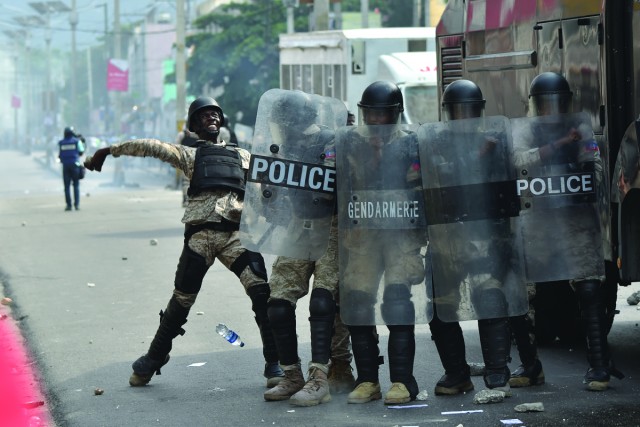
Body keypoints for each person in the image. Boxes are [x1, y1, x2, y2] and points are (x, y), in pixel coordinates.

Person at [84, 96, 284, 388]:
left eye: (215, 113)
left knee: (261, 293)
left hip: (235, 237)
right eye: (204, 115)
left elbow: (276, 179)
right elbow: (150, 146)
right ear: (193, 126)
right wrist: (108, 150)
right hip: (201, 237)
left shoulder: (244, 156)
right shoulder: (189, 155)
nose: (211, 118)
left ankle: (274, 362)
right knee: (182, 300)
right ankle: (154, 357)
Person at [509, 72, 623, 391]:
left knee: (588, 287)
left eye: (556, 103)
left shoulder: (581, 129)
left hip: (574, 219)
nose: (551, 111)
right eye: (545, 105)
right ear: (535, 106)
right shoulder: (525, 130)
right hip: (537, 223)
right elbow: (518, 163)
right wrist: (557, 146)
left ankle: (599, 365)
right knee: (525, 291)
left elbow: (596, 170)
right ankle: (530, 366)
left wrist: (578, 170)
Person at [258, 91, 353, 407]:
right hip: (299, 225)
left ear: (295, 120)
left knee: (324, 302)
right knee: (278, 302)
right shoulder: (285, 147)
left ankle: (319, 377)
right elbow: (275, 194)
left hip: (332, 225)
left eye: (282, 122)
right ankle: (291, 375)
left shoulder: (331, 142)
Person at [424, 79, 516, 397]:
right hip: (447, 239)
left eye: (469, 111)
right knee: (439, 307)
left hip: (485, 237)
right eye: (457, 111)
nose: (463, 117)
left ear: (479, 112)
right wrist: (478, 154)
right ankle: (457, 373)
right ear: (448, 113)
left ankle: (496, 372)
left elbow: (510, 185)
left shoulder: (498, 141)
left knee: (490, 299)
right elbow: (442, 178)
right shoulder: (435, 143)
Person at [338, 81, 426, 405]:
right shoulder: (350, 143)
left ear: (394, 114)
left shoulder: (411, 143)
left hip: (401, 232)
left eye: (381, 114)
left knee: (398, 302)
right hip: (364, 233)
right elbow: (344, 185)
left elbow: (419, 187)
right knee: (358, 302)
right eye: (370, 114)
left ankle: (403, 381)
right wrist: (372, 156)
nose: (375, 121)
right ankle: (367, 380)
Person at [58, 126, 85, 211]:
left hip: (65, 166)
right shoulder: (77, 141)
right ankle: (76, 205)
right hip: (75, 166)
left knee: (66, 187)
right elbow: (81, 151)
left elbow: (60, 154)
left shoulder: (61, 142)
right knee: (76, 185)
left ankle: (69, 205)